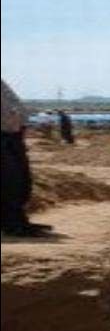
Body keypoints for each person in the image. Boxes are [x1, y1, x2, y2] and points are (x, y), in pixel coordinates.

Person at [1, 79, 51, 237]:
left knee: (22, 181)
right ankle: (13, 225)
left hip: (12, 135)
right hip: (5, 135)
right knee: (10, 181)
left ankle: (19, 221)